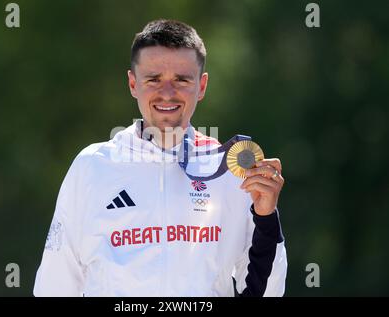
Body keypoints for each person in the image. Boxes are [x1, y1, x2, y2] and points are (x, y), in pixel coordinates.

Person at [33, 19, 287, 297]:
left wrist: (266, 217)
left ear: (201, 87)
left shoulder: (227, 170)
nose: (167, 93)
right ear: (133, 83)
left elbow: (268, 291)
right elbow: (55, 286)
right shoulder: (92, 166)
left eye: (182, 79)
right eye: (153, 79)